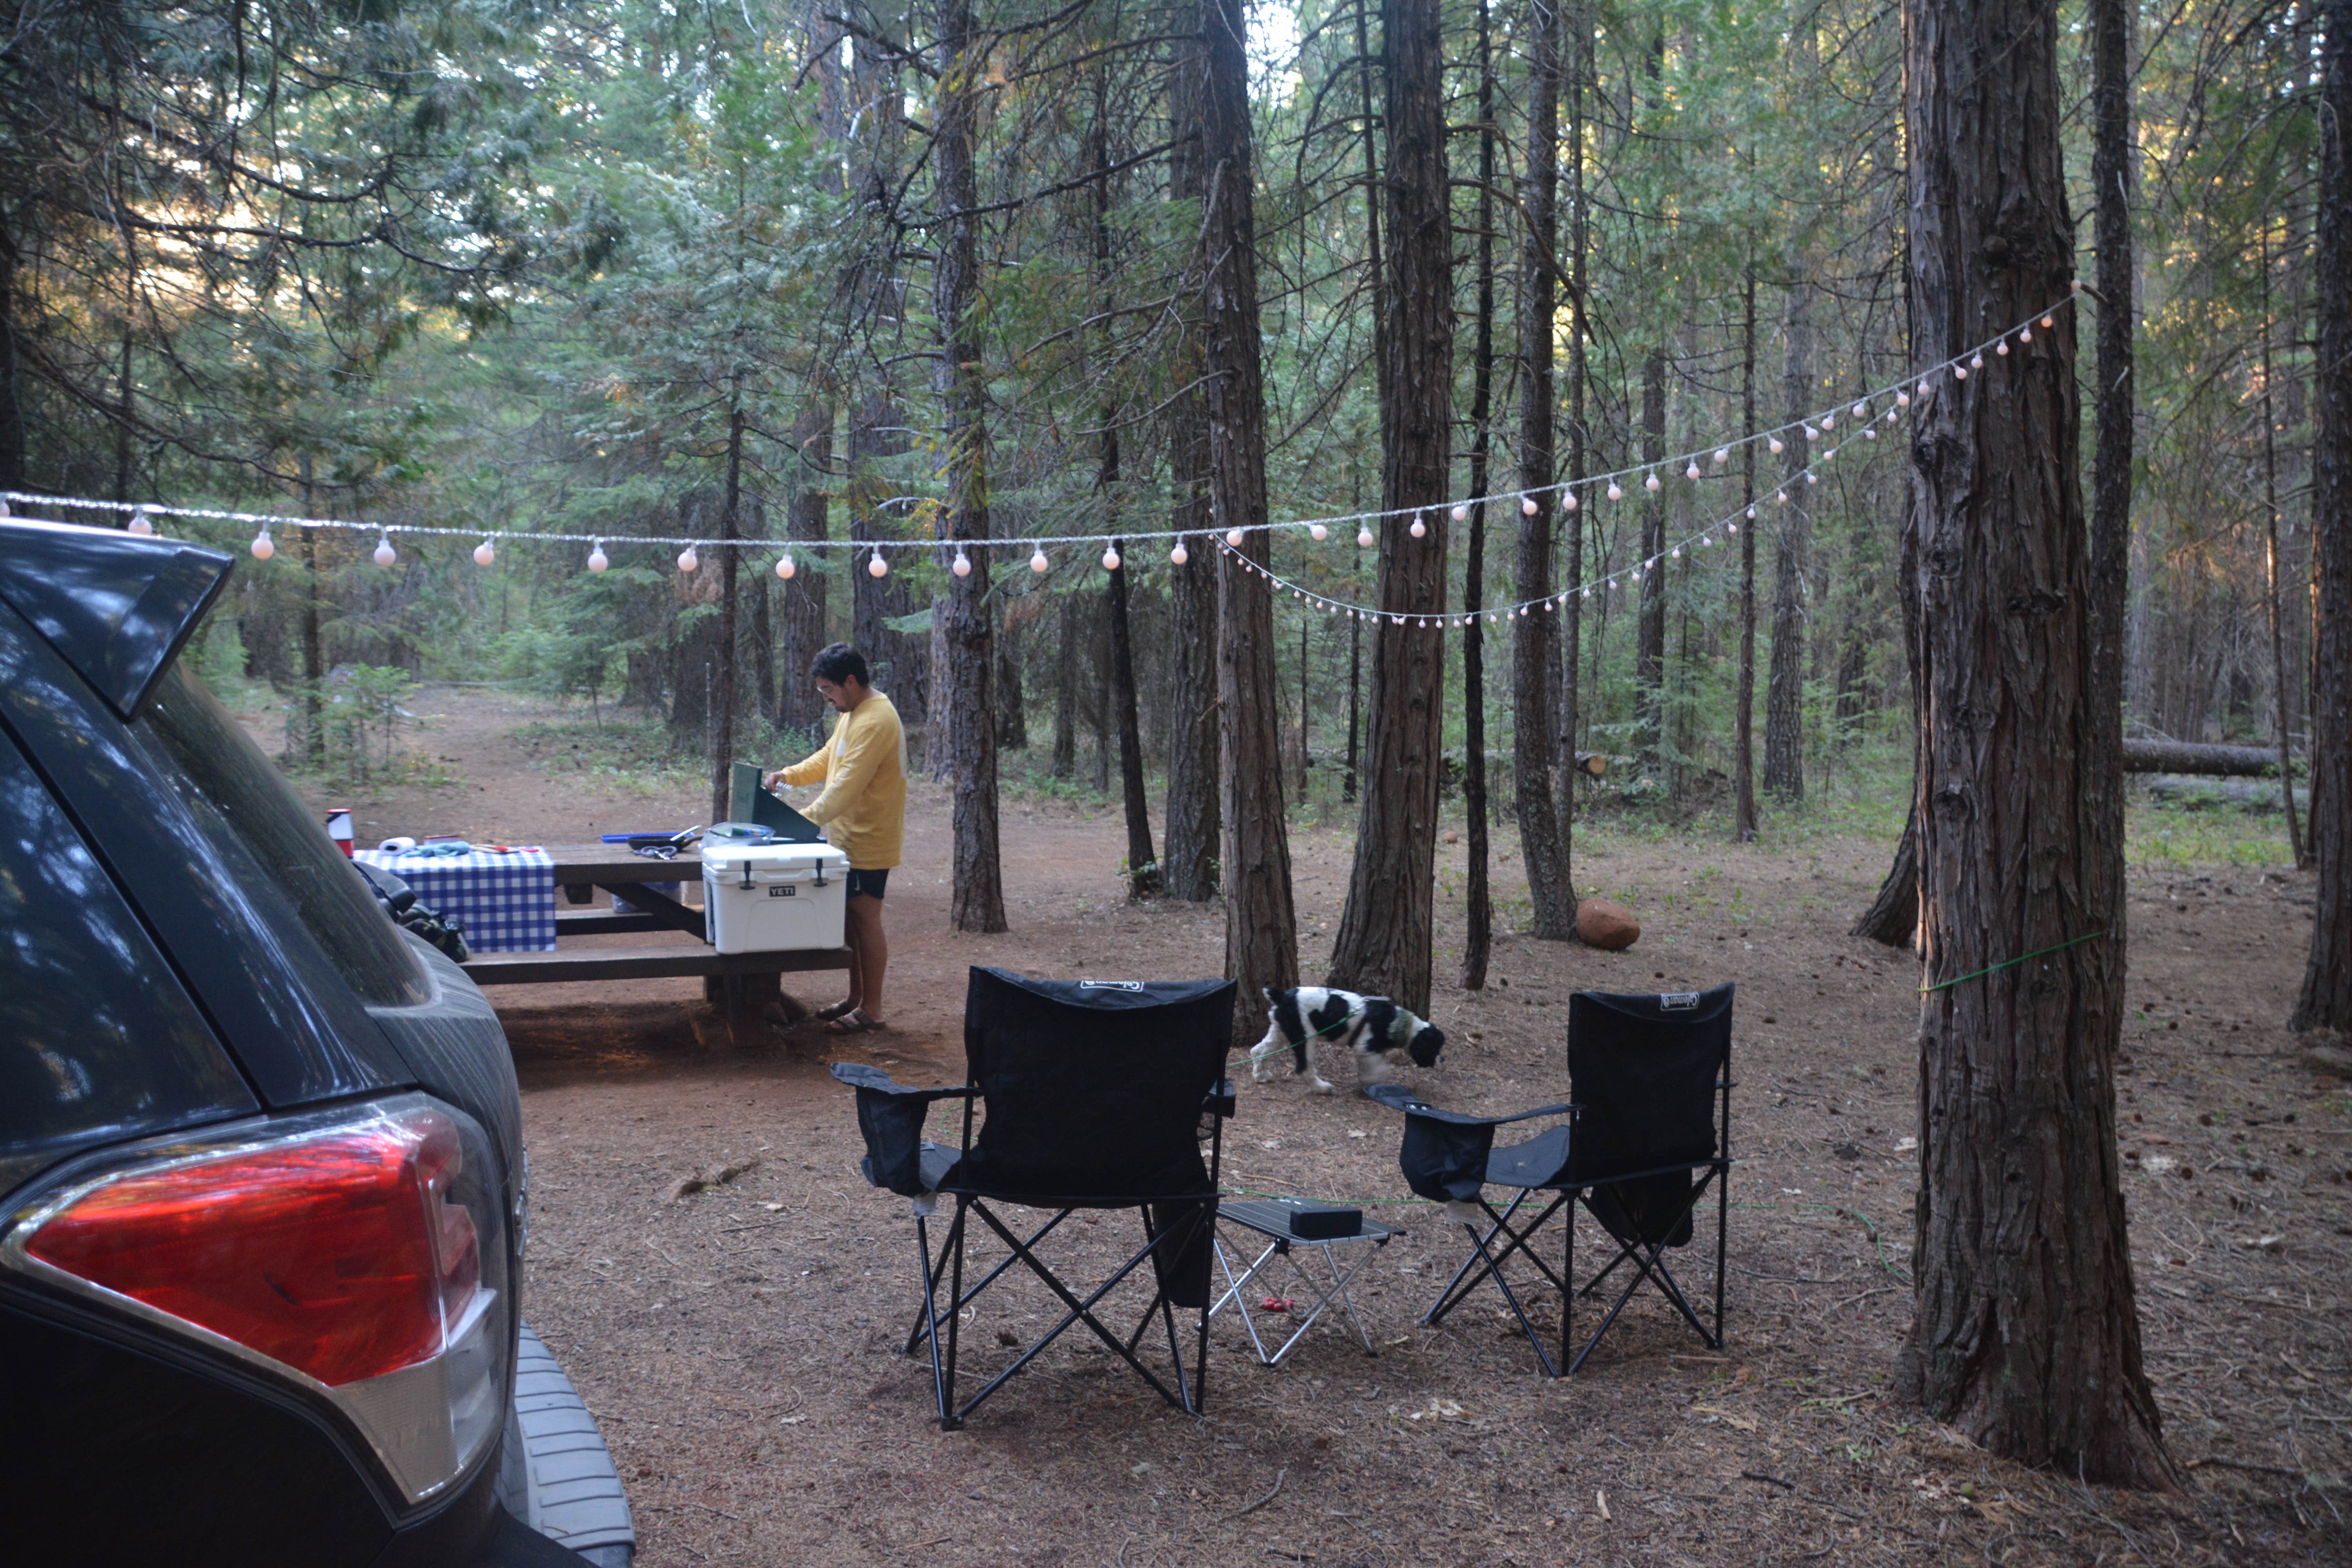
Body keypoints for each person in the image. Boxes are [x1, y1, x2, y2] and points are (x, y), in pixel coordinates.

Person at [764, 643, 905, 1034]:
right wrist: (788, 774)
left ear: (851, 681)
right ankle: (856, 1000)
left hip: (870, 838)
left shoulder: (877, 720)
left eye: (828, 689)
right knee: (850, 923)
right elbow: (830, 758)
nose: (825, 698)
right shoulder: (853, 712)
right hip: (846, 838)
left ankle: (872, 1010)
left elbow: (845, 788)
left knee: (866, 920)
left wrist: (798, 823)